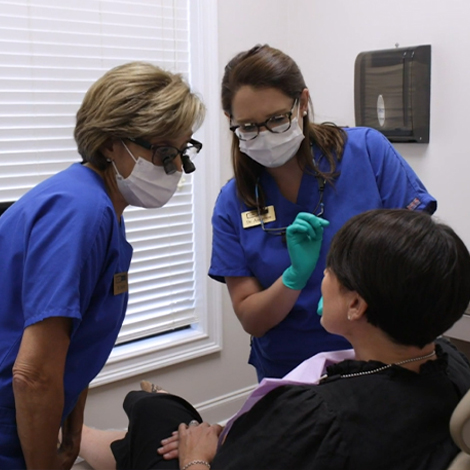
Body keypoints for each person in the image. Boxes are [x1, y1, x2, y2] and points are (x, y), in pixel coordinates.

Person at [78, 209, 470, 470]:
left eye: (331, 268)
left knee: (154, 418)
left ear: (355, 305)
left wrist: (197, 458)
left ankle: (82, 433)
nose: (323, 277)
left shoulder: (315, 415)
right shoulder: (453, 364)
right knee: (168, 419)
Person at [0, 61, 205, 470]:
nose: (177, 169)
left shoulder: (103, 212)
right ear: (111, 143)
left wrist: (73, 433)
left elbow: (75, 347)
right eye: (164, 153)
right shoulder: (83, 211)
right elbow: (33, 375)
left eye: (183, 152)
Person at [208, 44, 438, 381]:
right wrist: (294, 278)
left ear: (302, 103)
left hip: (382, 359)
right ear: (231, 122)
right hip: (291, 372)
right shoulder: (233, 202)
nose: (265, 135)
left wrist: (361, 291)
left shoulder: (366, 152)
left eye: (276, 119)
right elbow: (251, 319)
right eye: (248, 127)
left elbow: (421, 255)